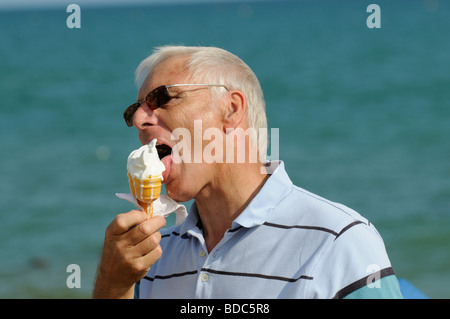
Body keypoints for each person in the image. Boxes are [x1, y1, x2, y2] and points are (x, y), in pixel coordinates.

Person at [93, 45, 403, 299]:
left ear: (231, 109)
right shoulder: (155, 257)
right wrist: (113, 286)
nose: (140, 120)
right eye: (135, 111)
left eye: (161, 98)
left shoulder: (340, 242)